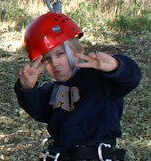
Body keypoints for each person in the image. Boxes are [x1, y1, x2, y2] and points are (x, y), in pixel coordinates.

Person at [15, 12, 141, 160]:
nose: (55, 63)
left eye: (60, 54)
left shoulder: (99, 80)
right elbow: (39, 109)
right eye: (47, 59)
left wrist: (116, 66)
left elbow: (131, 79)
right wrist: (27, 88)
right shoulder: (53, 89)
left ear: (78, 52)